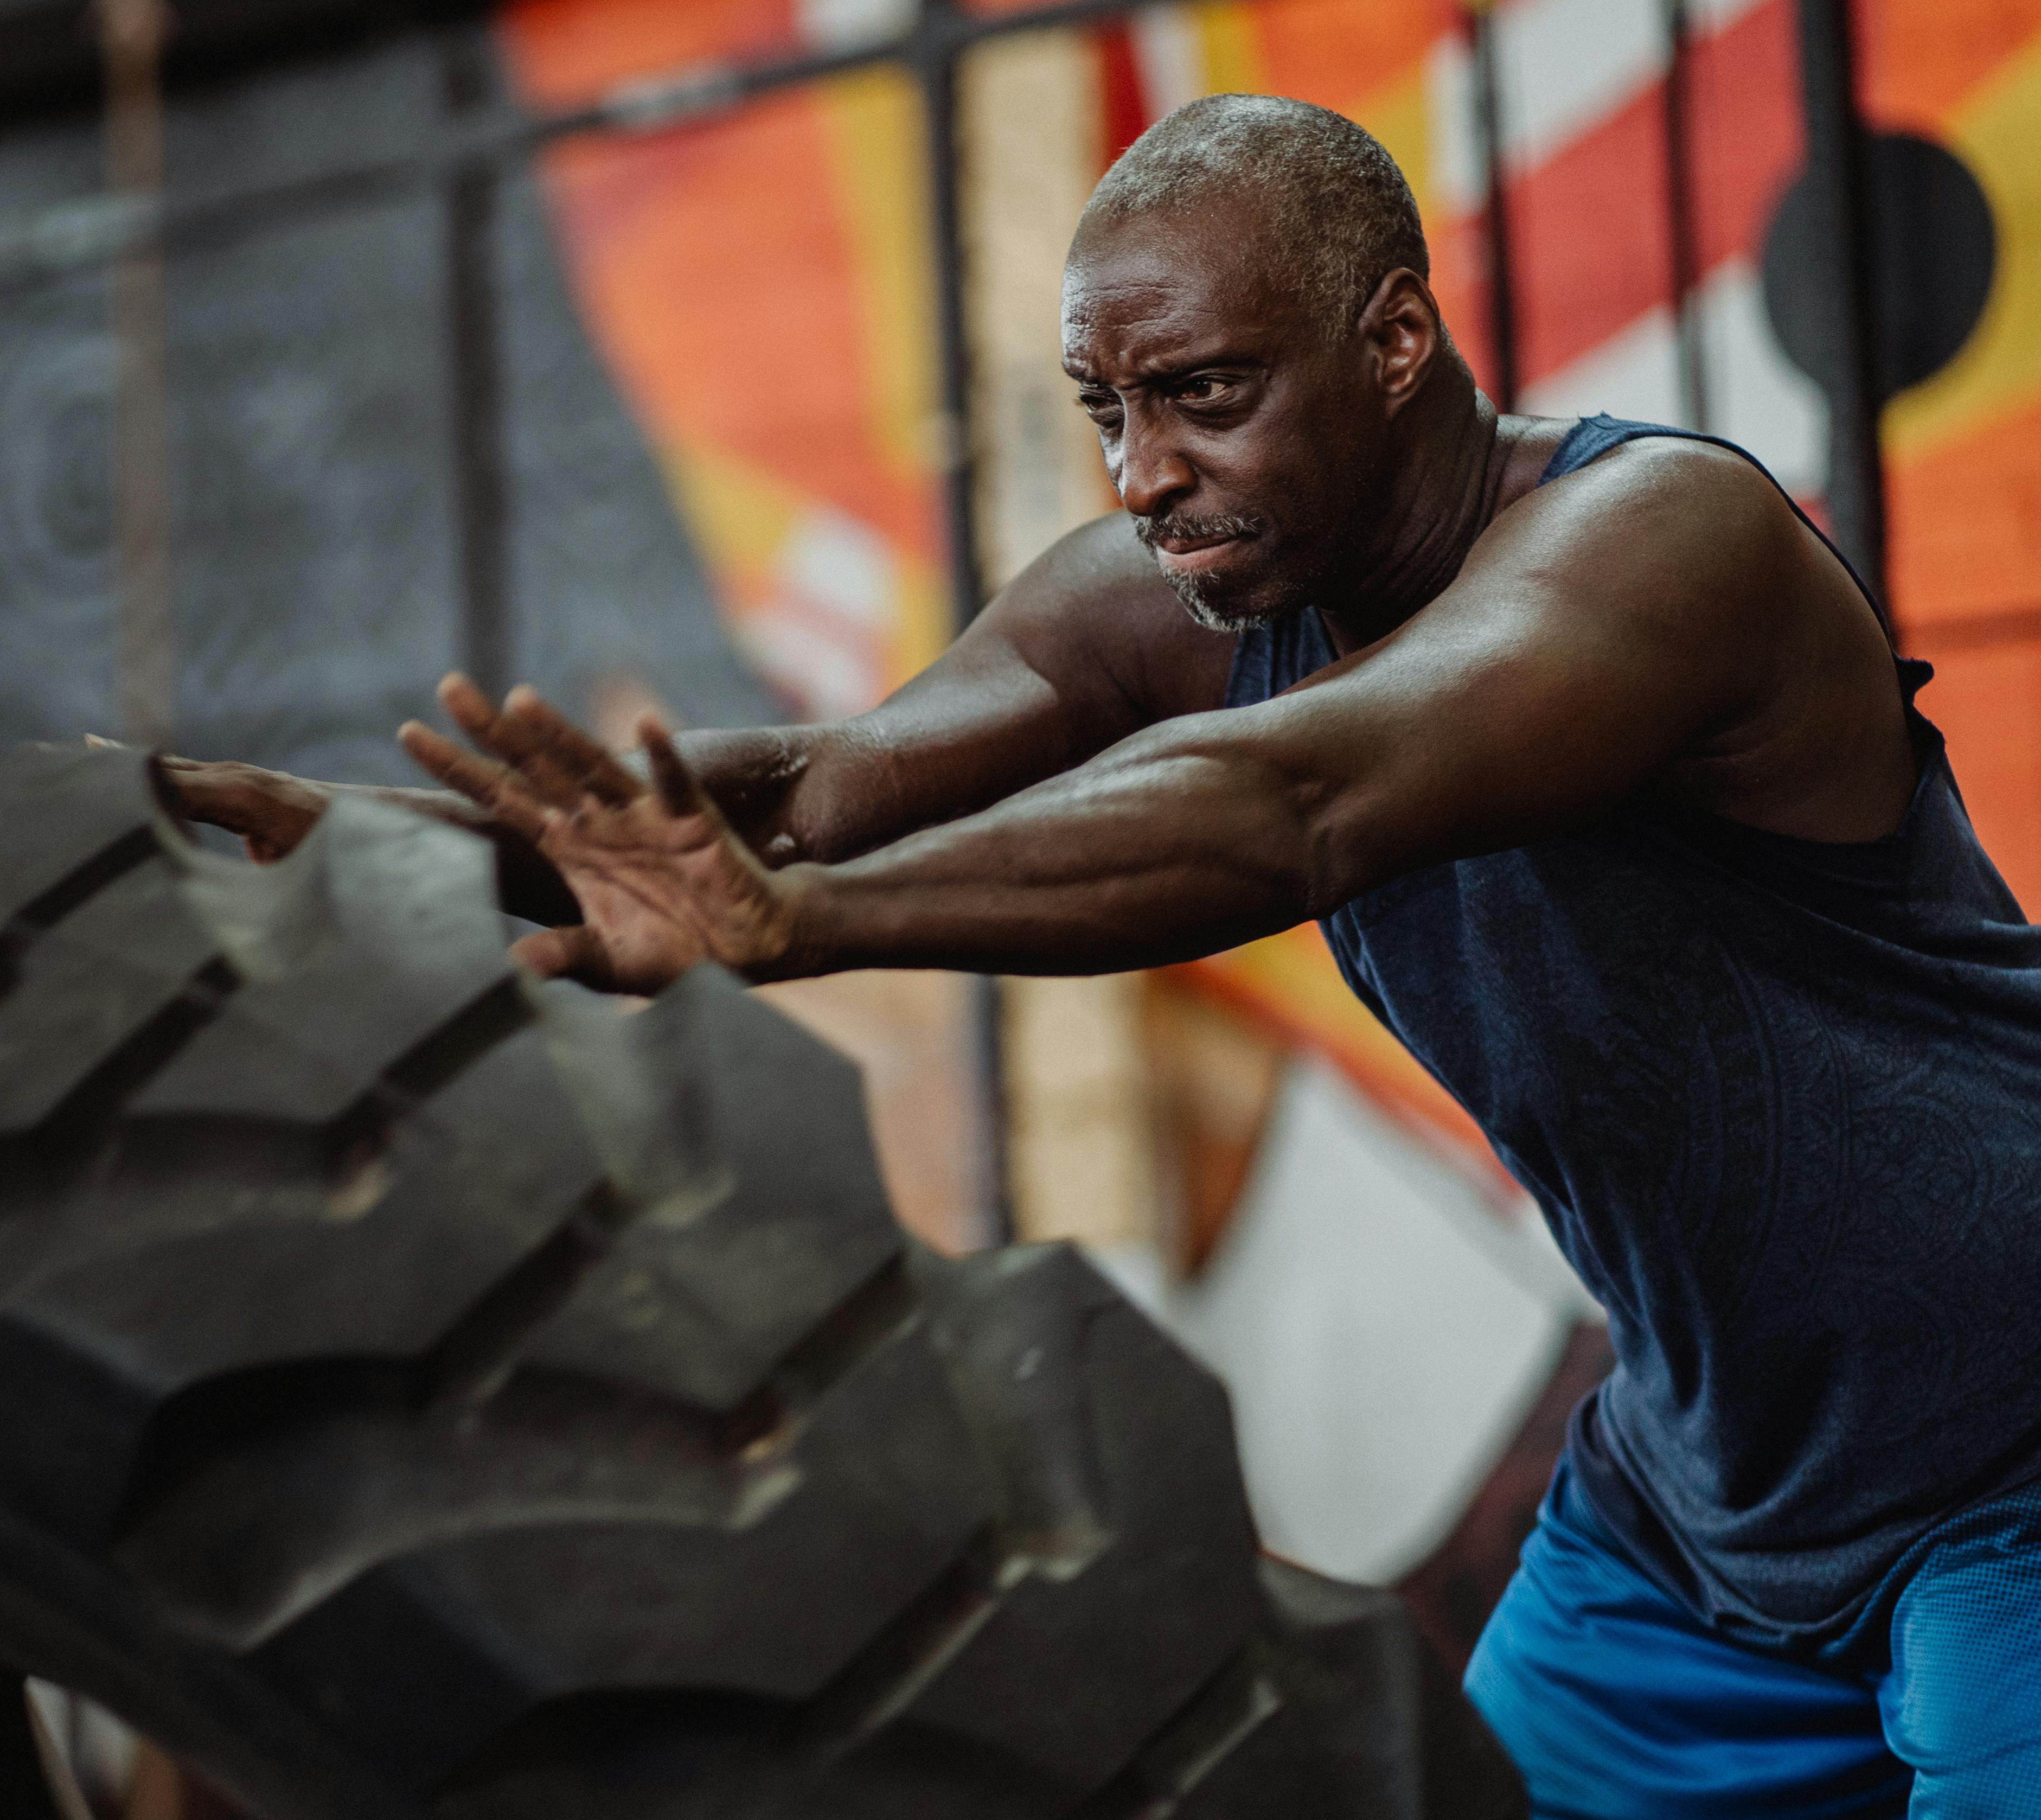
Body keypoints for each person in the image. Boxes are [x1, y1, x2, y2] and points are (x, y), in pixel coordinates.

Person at [162, 93, 2041, 1817]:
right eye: (1109, 411)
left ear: (1395, 343)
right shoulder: (1183, 593)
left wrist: (804, 932)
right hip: (1712, 1512)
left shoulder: (1662, 540)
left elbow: (1299, 801)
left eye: (1206, 395)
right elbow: (823, 782)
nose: (1143, 474)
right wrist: (392, 847)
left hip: (2011, 1456)